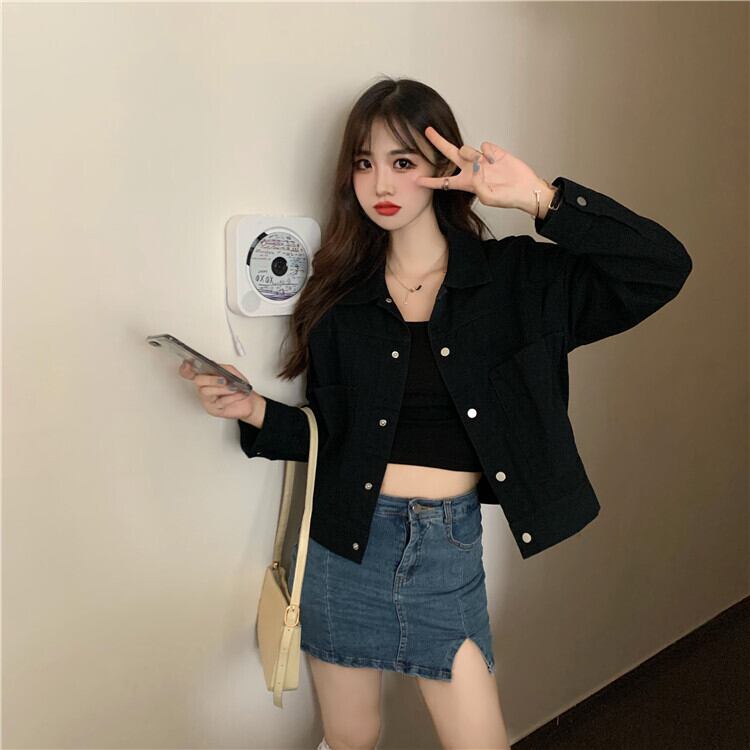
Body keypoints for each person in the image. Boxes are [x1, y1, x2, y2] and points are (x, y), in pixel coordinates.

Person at [179, 76, 691, 750]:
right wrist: (252, 410)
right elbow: (334, 439)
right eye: (364, 162)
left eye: (402, 161)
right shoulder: (340, 298)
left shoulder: (519, 279)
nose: (380, 183)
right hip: (342, 546)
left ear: (443, 168)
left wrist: (540, 199)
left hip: (445, 553)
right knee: (350, 738)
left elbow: (661, 269)